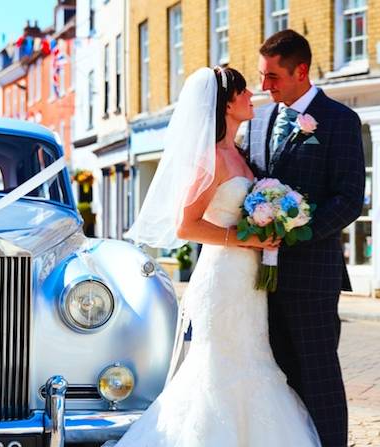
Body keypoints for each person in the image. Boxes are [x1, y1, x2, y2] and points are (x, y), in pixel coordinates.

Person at [112, 66, 321, 446]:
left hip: (248, 279)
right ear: (227, 103)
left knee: (252, 358)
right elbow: (185, 226)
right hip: (222, 277)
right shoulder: (211, 159)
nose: (252, 97)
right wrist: (244, 241)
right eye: (243, 93)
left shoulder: (238, 154)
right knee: (218, 369)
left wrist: (266, 229)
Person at [243, 29, 365, 447]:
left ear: (300, 71)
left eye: (273, 77)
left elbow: (350, 199)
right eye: (261, 75)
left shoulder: (340, 121)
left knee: (318, 377)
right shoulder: (257, 121)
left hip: (313, 276)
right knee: (274, 374)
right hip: (256, 279)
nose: (264, 86)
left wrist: (297, 232)